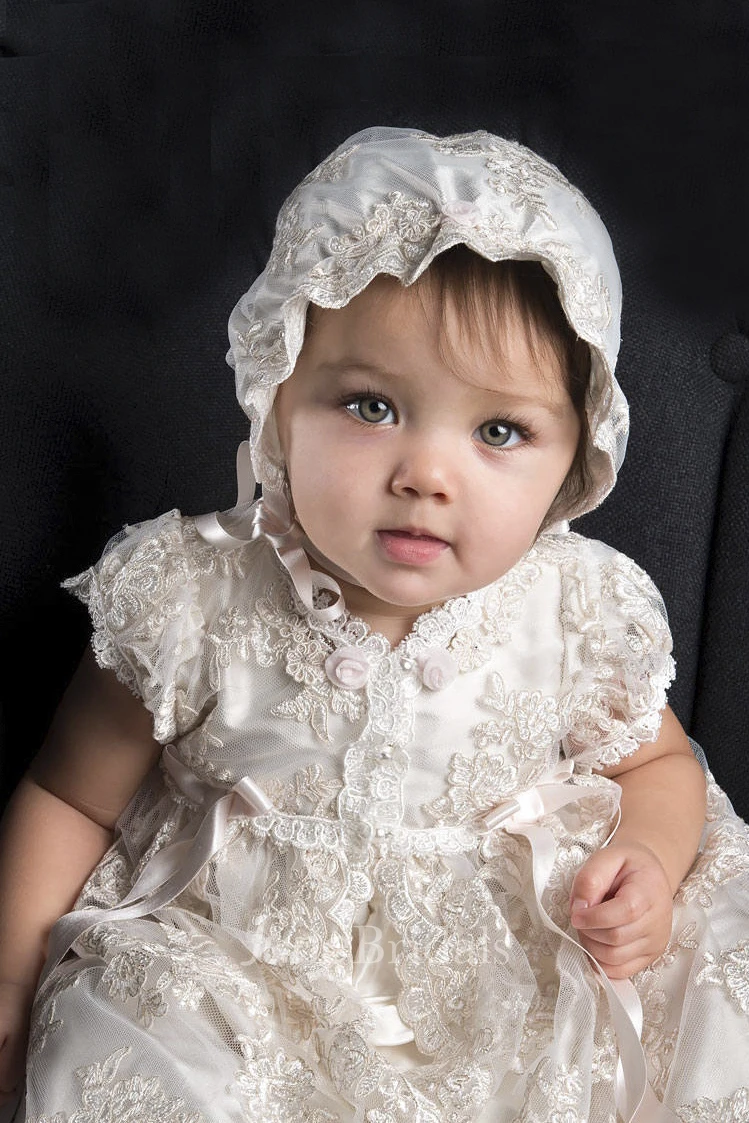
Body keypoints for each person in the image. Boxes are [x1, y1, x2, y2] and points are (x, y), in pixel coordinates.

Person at [0, 126, 747, 1123]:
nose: (424, 475)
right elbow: (69, 796)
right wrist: (12, 980)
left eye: (497, 431)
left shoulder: (576, 608)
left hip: (500, 966)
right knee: (143, 1061)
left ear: (572, 460)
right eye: (368, 406)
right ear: (278, 401)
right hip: (238, 972)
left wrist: (647, 860)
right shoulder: (194, 592)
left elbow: (657, 766)